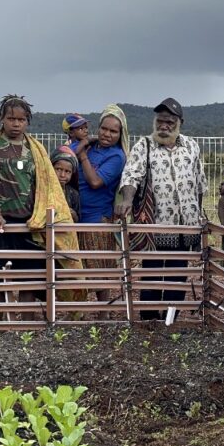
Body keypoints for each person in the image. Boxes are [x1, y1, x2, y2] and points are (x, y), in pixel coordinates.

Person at [0, 95, 82, 321]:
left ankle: (26, 327)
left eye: (21, 119)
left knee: (31, 278)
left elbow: (46, 186)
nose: (16, 124)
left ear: (27, 121)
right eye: (11, 119)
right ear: (2, 119)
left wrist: (43, 216)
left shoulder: (35, 150)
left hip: (30, 223)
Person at [115, 97, 206, 320]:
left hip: (186, 225)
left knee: (178, 273)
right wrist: (127, 200)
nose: (164, 126)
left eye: (170, 123)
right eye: (160, 121)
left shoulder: (191, 146)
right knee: (152, 271)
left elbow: (200, 182)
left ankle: (170, 319)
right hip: (156, 224)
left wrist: (200, 213)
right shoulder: (144, 145)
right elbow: (131, 176)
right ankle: (149, 317)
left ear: (180, 123)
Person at [73, 105, 128, 312]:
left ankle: (103, 314)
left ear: (120, 134)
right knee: (79, 268)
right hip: (78, 215)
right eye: (104, 129)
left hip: (98, 218)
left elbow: (95, 182)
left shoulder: (116, 156)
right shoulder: (91, 147)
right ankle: (78, 313)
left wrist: (82, 156)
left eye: (113, 131)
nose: (107, 134)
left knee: (100, 268)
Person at [51, 145, 82, 222]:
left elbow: (77, 220)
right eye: (58, 169)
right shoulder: (42, 190)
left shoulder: (74, 194)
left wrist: (73, 214)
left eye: (67, 171)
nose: (62, 175)